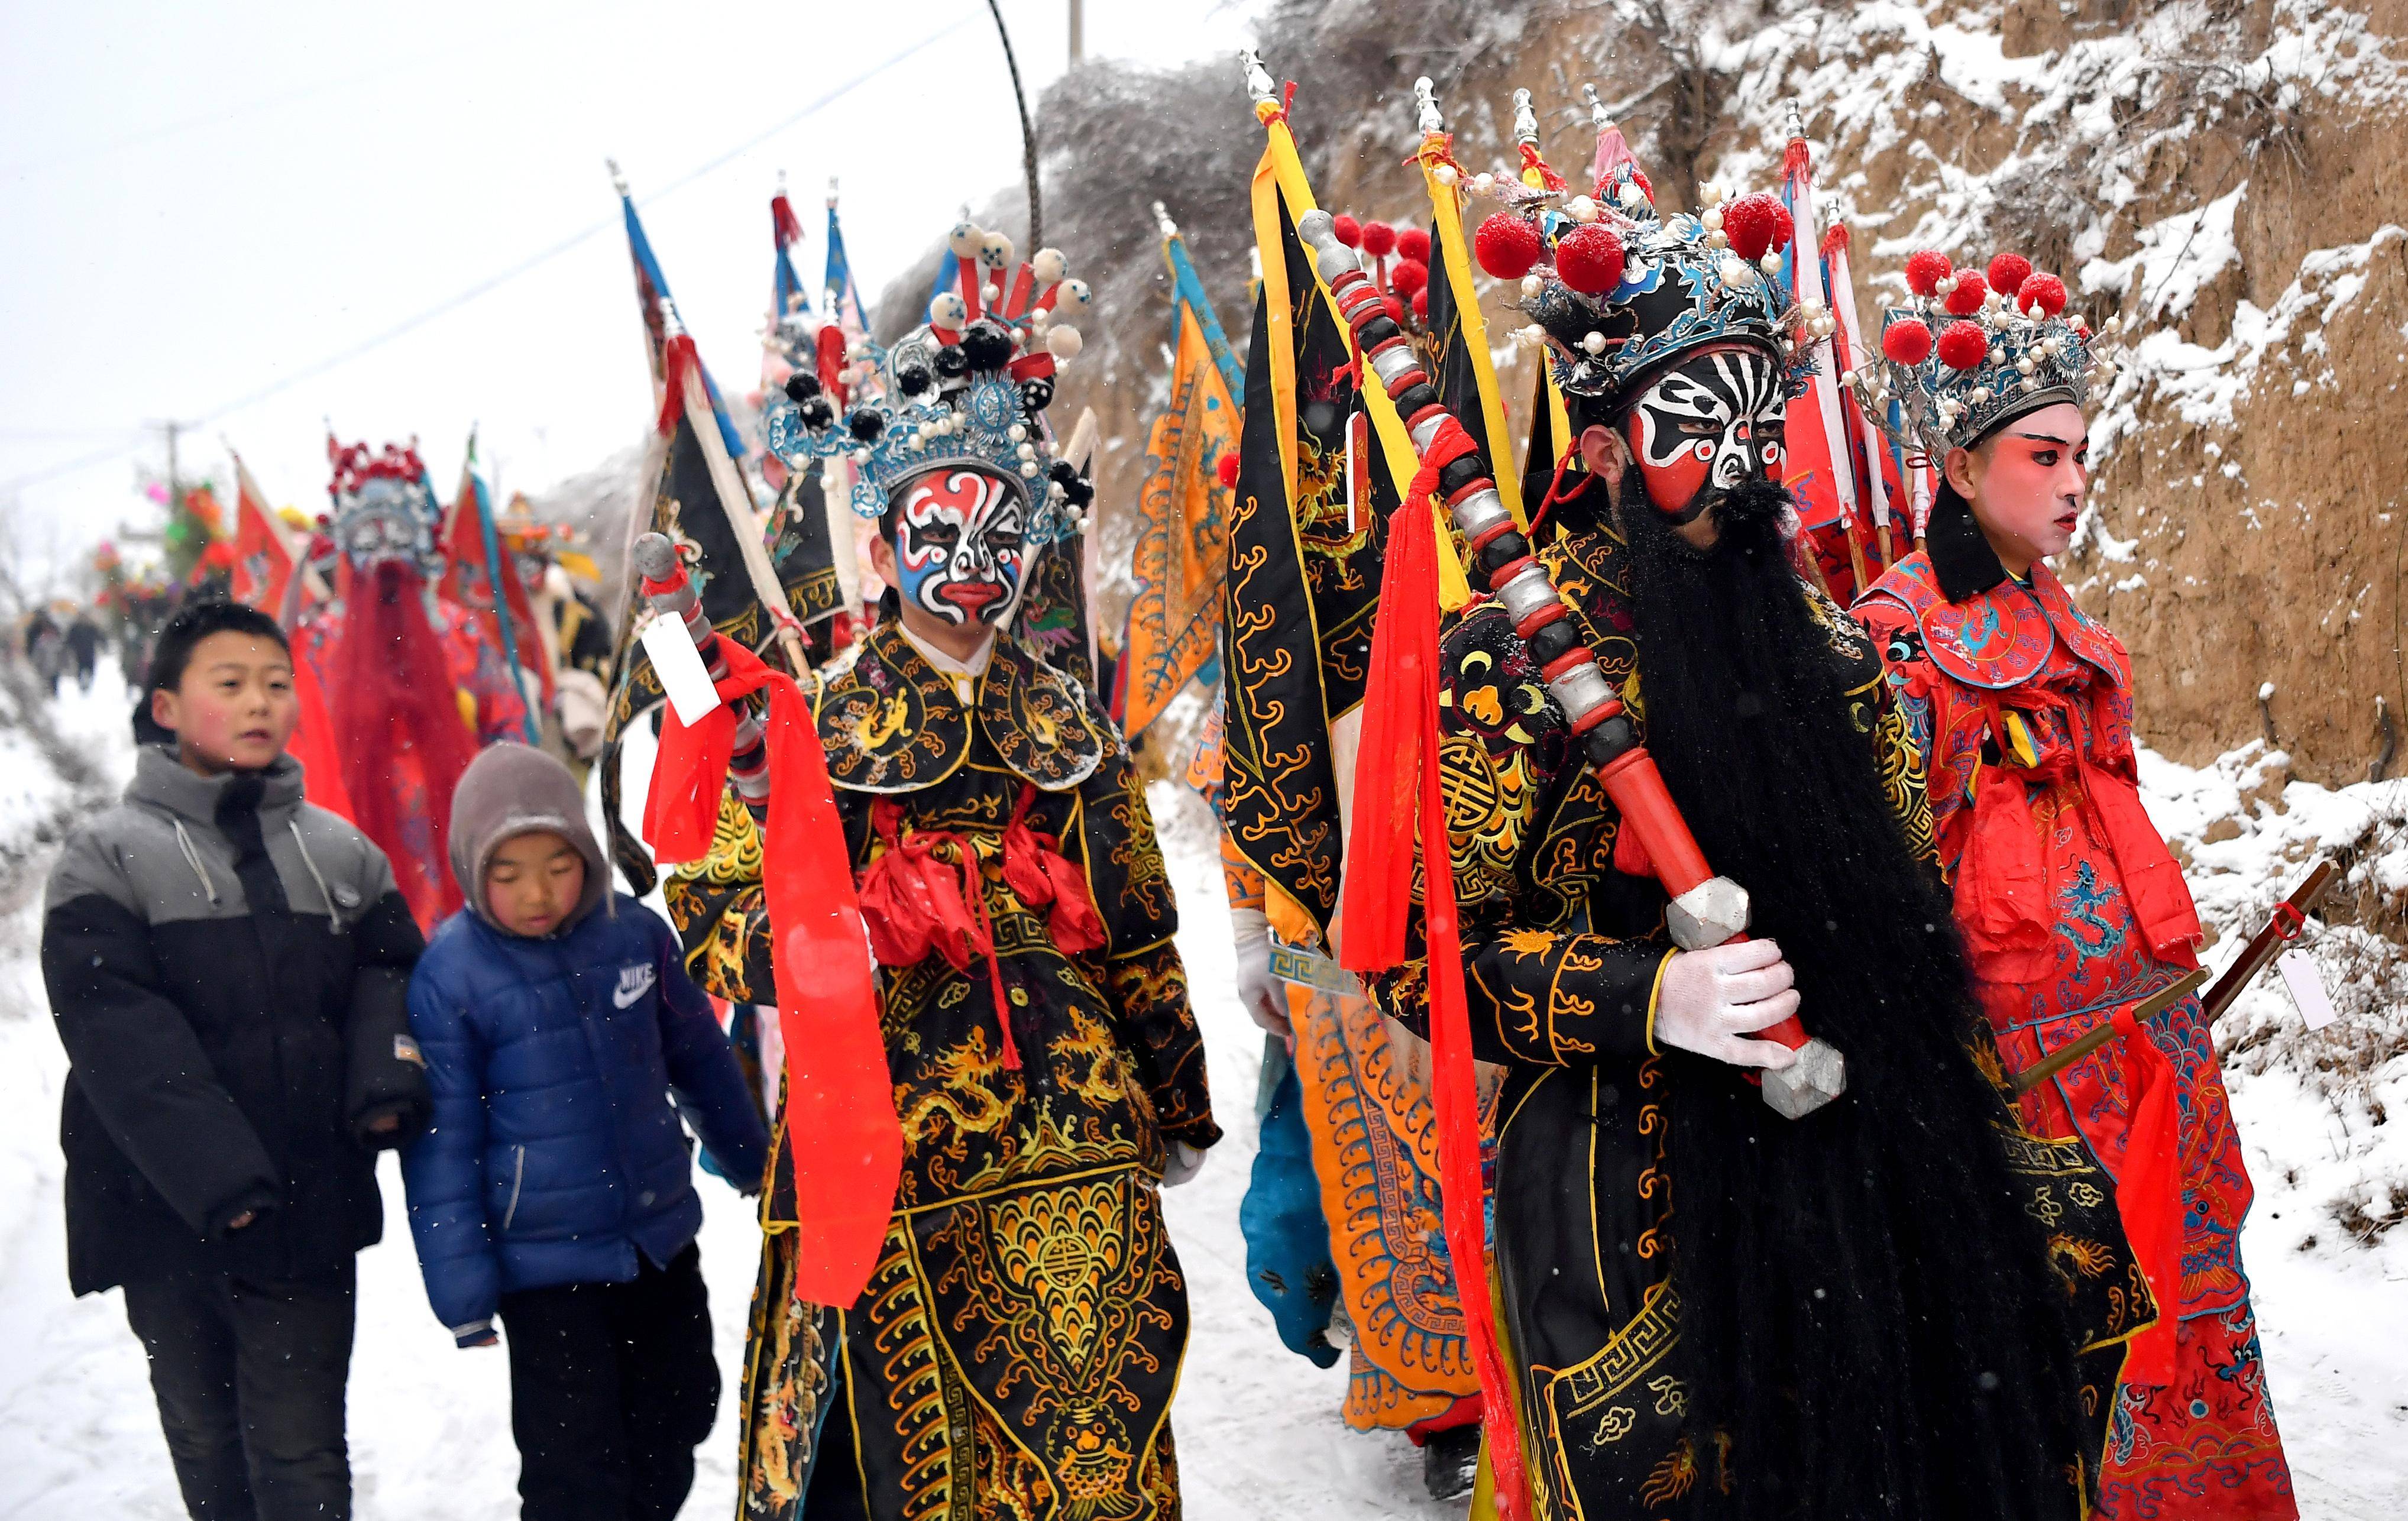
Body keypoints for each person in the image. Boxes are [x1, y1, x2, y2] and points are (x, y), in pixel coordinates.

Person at [1333, 166, 2151, 1519]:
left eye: (1765, 427)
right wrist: (1650, 992)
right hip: (1621, 1169)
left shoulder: (1829, 644)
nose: (1749, 468)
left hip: (1857, 1119)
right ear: (1598, 451)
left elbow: (1902, 879)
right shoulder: (1502, 668)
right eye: (1703, 426)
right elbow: (1423, 959)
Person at [655, 229, 1221, 1521]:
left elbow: (1137, 924)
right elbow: (708, 906)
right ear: (882, 534)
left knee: (1094, 1446)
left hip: (1076, 1140)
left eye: (997, 525)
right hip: (884, 1135)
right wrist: (826, 937)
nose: (969, 558)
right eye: (937, 524)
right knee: (897, 1448)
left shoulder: (1069, 723)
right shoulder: (813, 720)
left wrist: (1175, 1098)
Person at [1852, 250, 2296, 1517]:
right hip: (2022, 1068)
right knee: (2066, 1332)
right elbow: (1891, 885)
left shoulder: (2058, 610)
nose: (2071, 480)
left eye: (2080, 453)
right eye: (2040, 455)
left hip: (2142, 1036)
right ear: (1952, 465)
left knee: (2187, 1294)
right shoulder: (1892, 638)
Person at [41, 598, 429, 1521]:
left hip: (308, 1207)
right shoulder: (107, 857)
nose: (260, 703)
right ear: (167, 706)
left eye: (276, 684)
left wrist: (384, 1082)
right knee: (209, 1446)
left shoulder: (342, 853)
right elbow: (114, 1028)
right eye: (231, 684)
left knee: (302, 1456)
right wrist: (219, 1176)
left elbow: (393, 971)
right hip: (162, 1217)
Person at [399, 742, 769, 1521]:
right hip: (546, 1268)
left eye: (557, 865)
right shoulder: (453, 978)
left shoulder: (634, 937)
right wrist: (463, 1292)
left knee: (681, 1413)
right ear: (473, 870)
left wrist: (753, 1159)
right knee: (577, 1466)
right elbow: (444, 1149)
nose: (537, 891)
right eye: (508, 874)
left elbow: (699, 1057)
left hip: (657, 1238)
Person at [292, 437, 529, 930]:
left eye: (397, 533)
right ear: (344, 546)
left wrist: (505, 801)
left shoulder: (456, 630)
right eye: (368, 536)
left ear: (422, 540)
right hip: (348, 827)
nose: (384, 552)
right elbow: (296, 739)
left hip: (460, 826)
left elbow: (506, 724)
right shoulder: (319, 642)